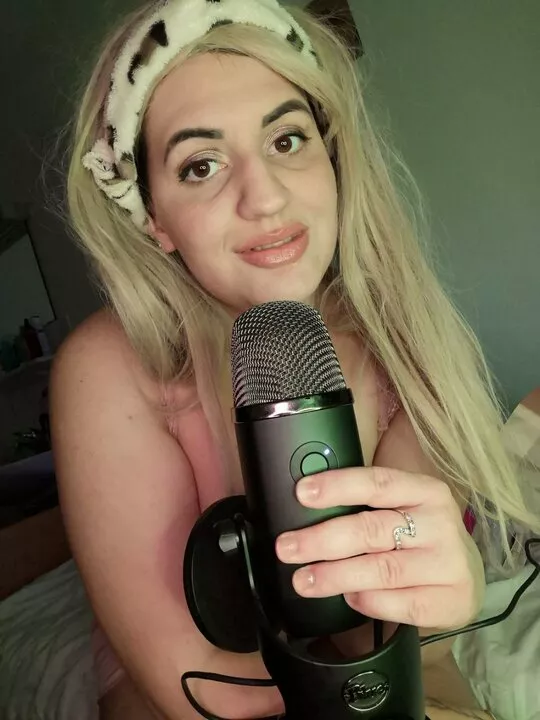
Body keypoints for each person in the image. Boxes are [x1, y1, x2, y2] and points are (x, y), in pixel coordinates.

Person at [50, 0, 537, 718]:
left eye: (286, 140)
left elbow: (383, 641)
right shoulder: (110, 366)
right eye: (201, 165)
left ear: (331, 161)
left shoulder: (407, 343)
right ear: (153, 217)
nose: (266, 198)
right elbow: (205, 692)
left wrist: (436, 586)